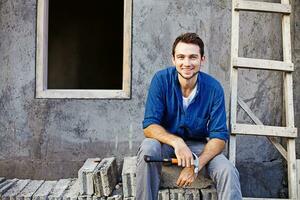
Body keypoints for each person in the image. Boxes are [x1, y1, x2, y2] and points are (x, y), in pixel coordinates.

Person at [136, 32, 242, 200]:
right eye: (181, 57)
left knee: (227, 170)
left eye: (193, 57)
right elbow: (149, 126)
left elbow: (219, 137)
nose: (186, 63)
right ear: (173, 59)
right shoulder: (161, 80)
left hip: (198, 148)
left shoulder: (214, 88)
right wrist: (177, 142)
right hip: (166, 144)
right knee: (149, 147)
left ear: (202, 60)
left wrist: (195, 165)